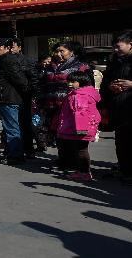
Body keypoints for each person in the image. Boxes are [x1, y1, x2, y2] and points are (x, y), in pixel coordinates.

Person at [40, 40, 91, 162]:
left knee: (71, 134)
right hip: (52, 105)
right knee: (58, 134)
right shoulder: (50, 66)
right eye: (56, 51)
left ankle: (74, 161)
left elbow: (88, 87)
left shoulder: (80, 66)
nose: (58, 54)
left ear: (71, 52)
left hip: (71, 107)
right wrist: (41, 102)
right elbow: (43, 85)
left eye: (62, 51)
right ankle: (63, 159)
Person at [54, 70, 101, 181]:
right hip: (79, 127)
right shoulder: (79, 93)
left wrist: (81, 129)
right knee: (79, 150)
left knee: (81, 150)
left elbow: (81, 113)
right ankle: (81, 171)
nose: (69, 84)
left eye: (73, 81)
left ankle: (85, 173)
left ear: (82, 82)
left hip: (80, 128)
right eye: (69, 81)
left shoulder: (80, 95)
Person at [0, 38, 29, 165]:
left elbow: (21, 80)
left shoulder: (8, 61)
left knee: (12, 128)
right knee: (10, 128)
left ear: (7, 48)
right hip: (7, 98)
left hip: (9, 99)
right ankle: (12, 153)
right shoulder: (3, 61)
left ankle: (16, 156)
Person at [101, 31, 132, 183]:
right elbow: (105, 82)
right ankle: (124, 169)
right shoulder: (114, 62)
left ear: (130, 44)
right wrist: (110, 87)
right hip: (118, 107)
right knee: (121, 141)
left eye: (118, 47)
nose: (115, 50)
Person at [10, 38, 42, 158]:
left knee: (25, 122)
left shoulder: (28, 61)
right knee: (12, 123)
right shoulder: (6, 60)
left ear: (19, 47)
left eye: (13, 46)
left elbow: (34, 78)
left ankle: (29, 149)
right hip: (11, 95)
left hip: (24, 95)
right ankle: (14, 148)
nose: (11, 49)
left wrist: (33, 94)